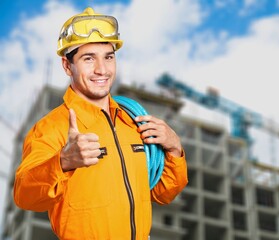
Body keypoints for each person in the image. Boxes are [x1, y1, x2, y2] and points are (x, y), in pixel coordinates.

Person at [13, 7, 188, 240]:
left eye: (108, 56)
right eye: (88, 58)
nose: (102, 69)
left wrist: (175, 149)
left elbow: (162, 194)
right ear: (67, 66)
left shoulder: (133, 121)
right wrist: (63, 162)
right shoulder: (51, 127)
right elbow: (25, 196)